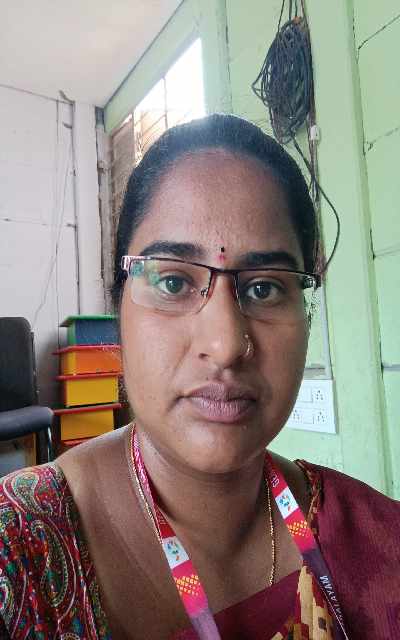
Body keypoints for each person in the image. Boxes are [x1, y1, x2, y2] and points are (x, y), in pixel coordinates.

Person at [0, 114, 398, 640]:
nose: (227, 344)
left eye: (264, 288)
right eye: (172, 281)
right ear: (118, 306)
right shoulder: (18, 550)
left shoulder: (378, 541)